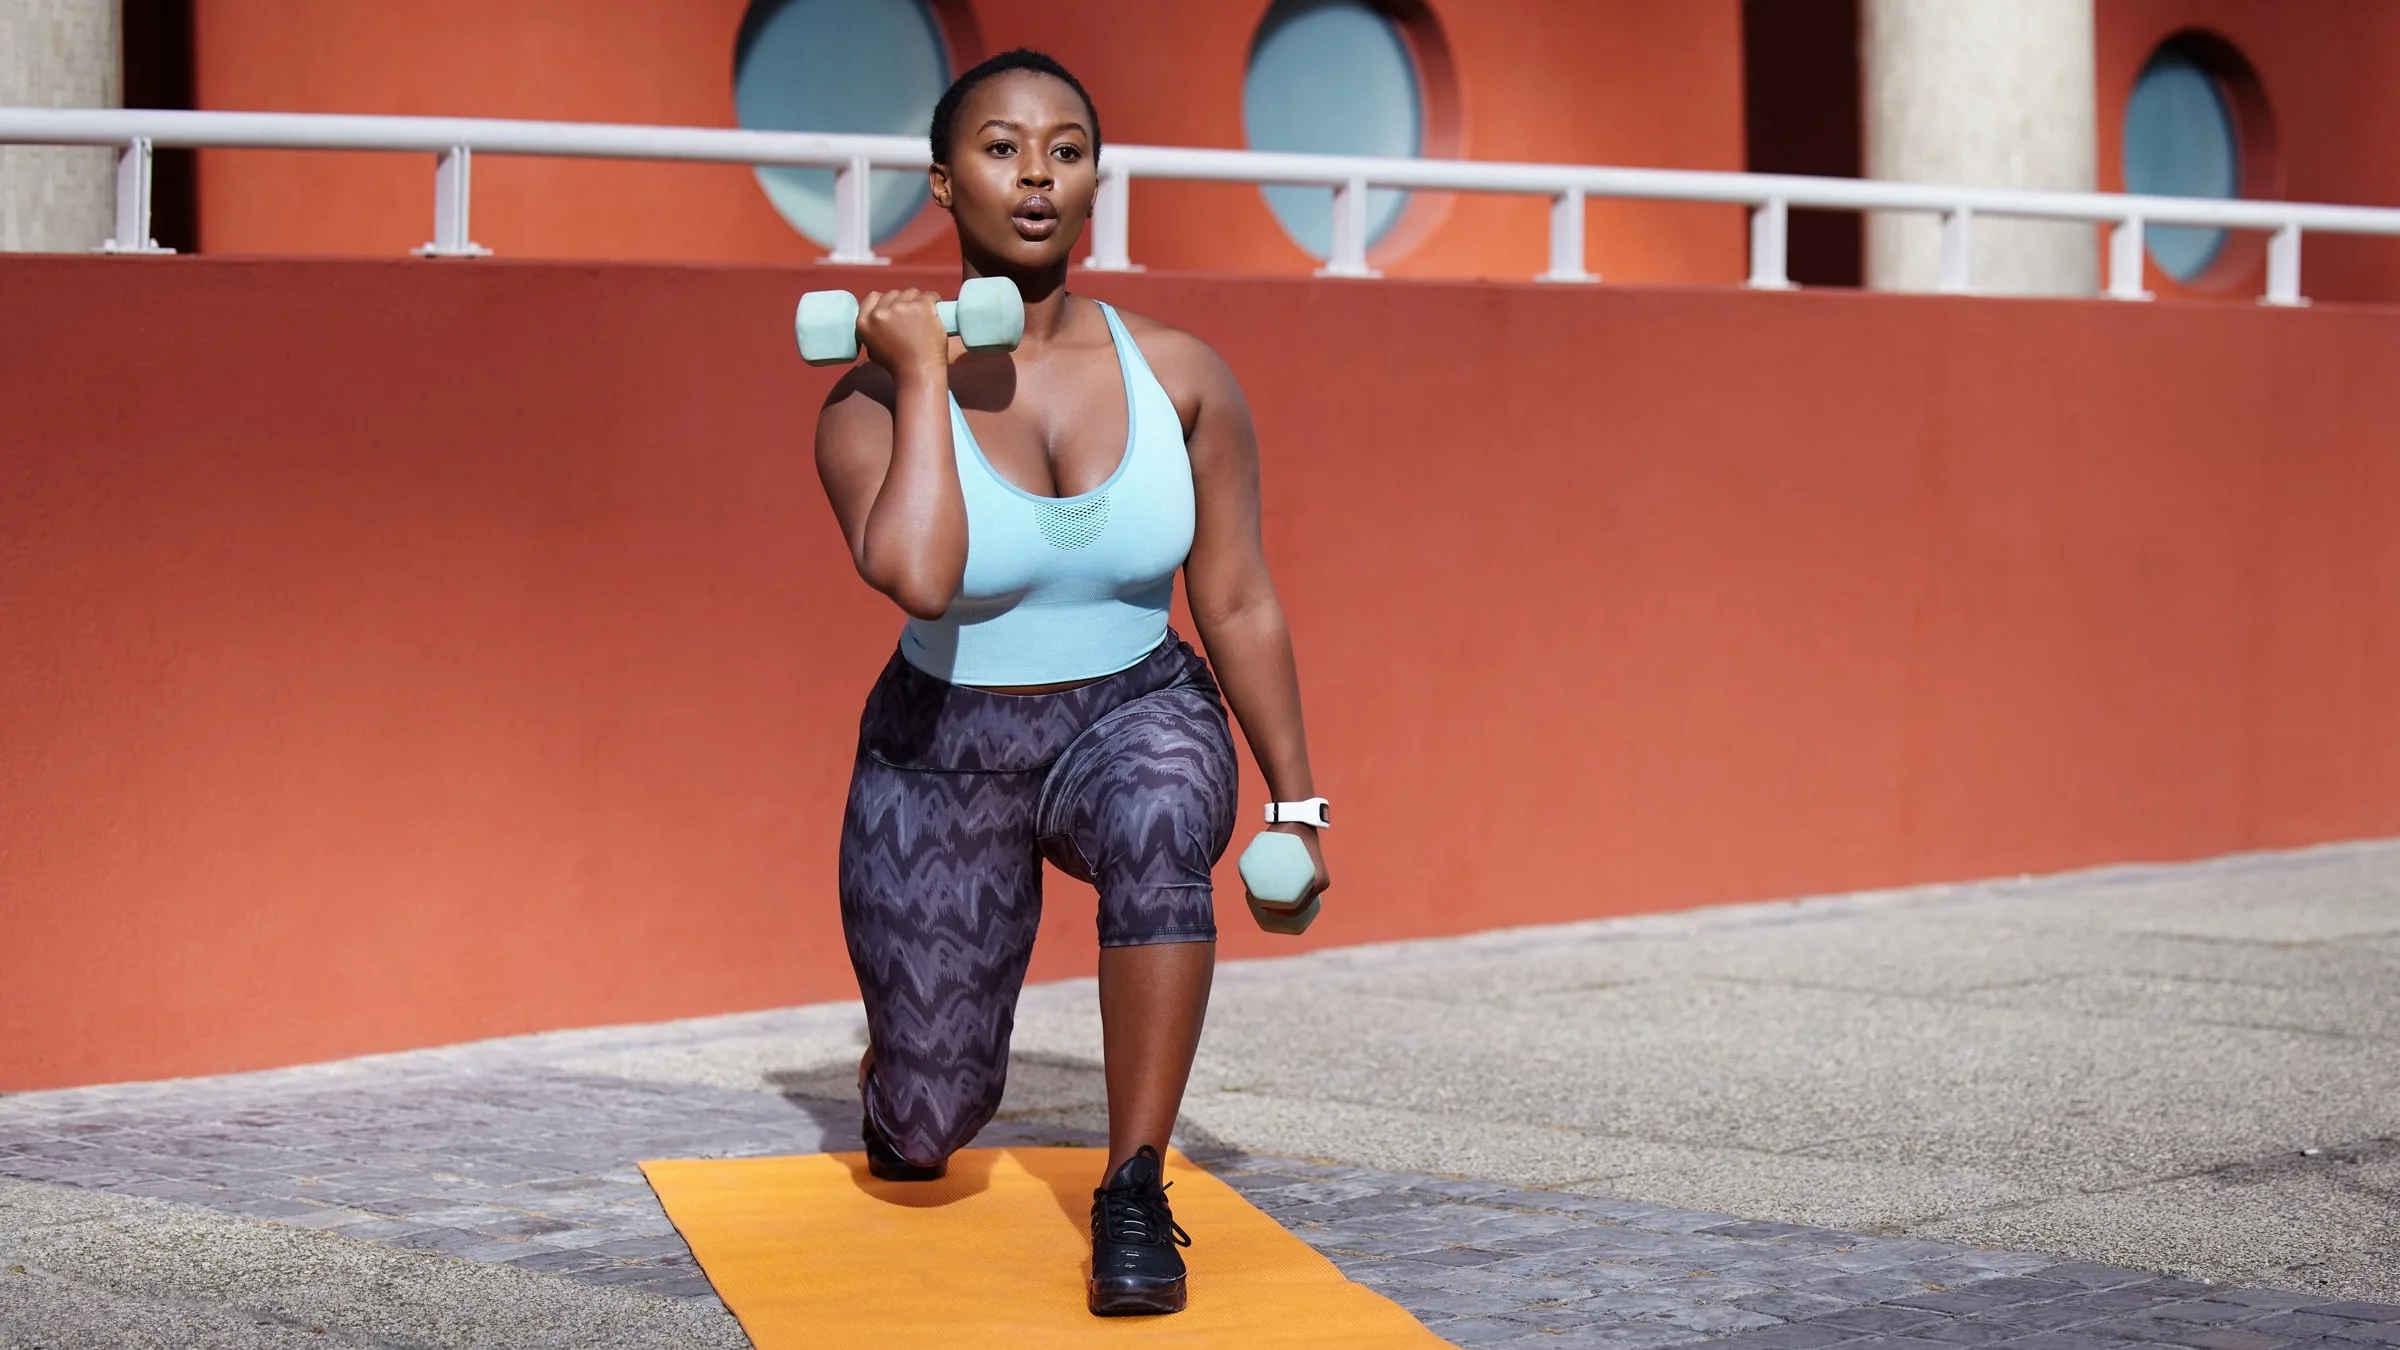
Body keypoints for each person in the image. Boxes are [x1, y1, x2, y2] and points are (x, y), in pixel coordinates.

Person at [812, 48, 1332, 1318]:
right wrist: (925, 375)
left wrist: (1298, 807)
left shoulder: (1183, 375)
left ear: (1097, 179)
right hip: (943, 746)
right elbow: (920, 577)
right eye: (1000, 148)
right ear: (945, 184)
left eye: (1065, 149)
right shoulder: (866, 399)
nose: (1036, 174)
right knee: (927, 1123)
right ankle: (907, 1078)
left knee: (1162, 813)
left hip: (1134, 707)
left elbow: (1238, 598)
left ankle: (1135, 1187)